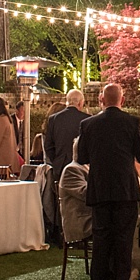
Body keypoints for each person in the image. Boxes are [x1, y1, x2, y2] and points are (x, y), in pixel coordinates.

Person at [78, 83, 140, 280]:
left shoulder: (88, 124)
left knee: (101, 239)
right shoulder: (131, 122)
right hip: (125, 189)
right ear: (122, 100)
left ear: (101, 100)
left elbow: (82, 158)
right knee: (123, 239)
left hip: (100, 189)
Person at [42, 89, 86, 245]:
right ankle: (81, 234)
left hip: (60, 166)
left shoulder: (54, 119)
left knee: (61, 201)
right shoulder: (87, 119)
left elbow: (48, 146)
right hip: (81, 166)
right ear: (81, 103)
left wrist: (56, 161)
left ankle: (62, 235)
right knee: (82, 200)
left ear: (67, 101)